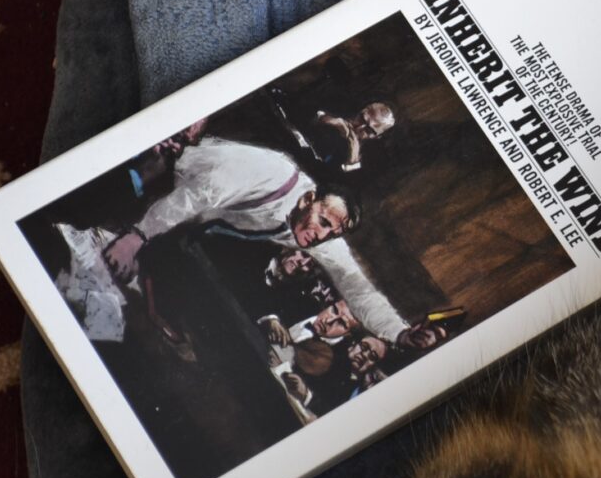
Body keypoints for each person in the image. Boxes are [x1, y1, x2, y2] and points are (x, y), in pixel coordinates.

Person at [94, 135, 435, 347]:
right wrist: (135, 238)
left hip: (183, 226)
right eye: (324, 222)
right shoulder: (271, 173)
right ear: (308, 199)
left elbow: (357, 288)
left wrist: (400, 333)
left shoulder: (318, 231)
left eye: (333, 232)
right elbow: (197, 196)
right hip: (162, 178)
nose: (322, 235)